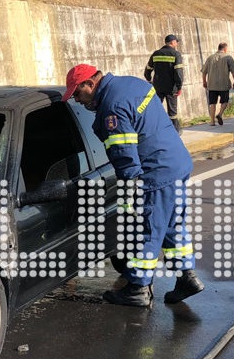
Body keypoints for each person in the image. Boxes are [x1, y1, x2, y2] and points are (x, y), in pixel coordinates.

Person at [63, 64, 204, 307]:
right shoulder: (132, 83)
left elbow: (124, 153)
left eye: (77, 93)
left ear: (90, 83)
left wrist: (131, 189)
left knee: (147, 229)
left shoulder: (112, 108)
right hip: (176, 163)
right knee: (171, 225)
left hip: (156, 172)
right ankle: (187, 278)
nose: (77, 99)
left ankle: (138, 289)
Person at [145, 34, 186, 133]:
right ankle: (175, 131)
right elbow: (178, 72)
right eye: (176, 41)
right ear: (172, 42)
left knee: (156, 108)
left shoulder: (156, 54)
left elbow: (148, 70)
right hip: (171, 87)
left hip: (158, 86)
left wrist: (149, 79)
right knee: (172, 111)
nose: (177, 43)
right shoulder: (176, 54)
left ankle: (154, 129)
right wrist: (179, 86)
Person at [201, 42, 234, 126]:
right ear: (225, 49)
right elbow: (233, 71)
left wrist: (204, 81)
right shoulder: (228, 57)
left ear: (218, 48)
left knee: (212, 103)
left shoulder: (210, 58)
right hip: (224, 85)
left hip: (212, 85)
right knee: (225, 101)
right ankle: (220, 114)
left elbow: (204, 72)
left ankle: (212, 121)